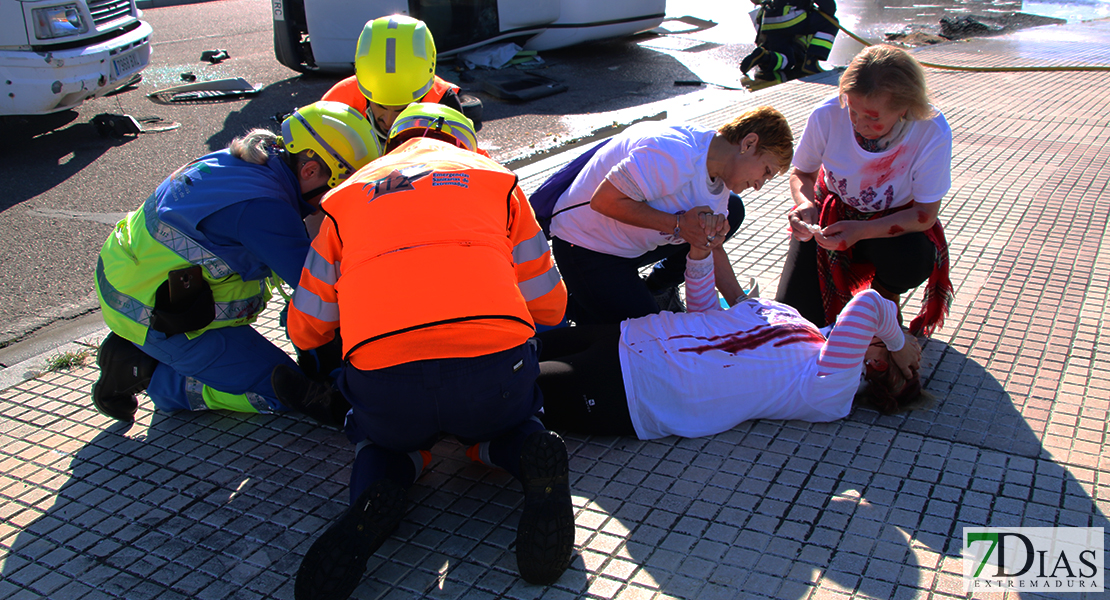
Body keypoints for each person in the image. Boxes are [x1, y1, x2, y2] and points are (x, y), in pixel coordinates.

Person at [277, 103, 573, 600]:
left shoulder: (344, 199)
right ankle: (524, 453)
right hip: (491, 375)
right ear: (465, 146)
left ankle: (379, 487)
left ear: (392, 145)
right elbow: (551, 306)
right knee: (509, 421)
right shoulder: (495, 181)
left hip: (388, 383)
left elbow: (307, 329)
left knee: (384, 441)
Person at [91, 101, 380, 425]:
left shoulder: (257, 161)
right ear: (310, 170)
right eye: (335, 188)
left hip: (143, 285)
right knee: (282, 389)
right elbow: (321, 290)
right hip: (149, 309)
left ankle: (145, 348)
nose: (330, 201)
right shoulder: (263, 208)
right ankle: (150, 373)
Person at [536, 228, 926, 440]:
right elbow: (708, 317)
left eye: (880, 342)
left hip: (638, 390)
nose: (882, 333)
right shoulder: (799, 323)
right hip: (627, 338)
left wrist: (899, 343)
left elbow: (869, 305)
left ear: (874, 363)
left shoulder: (833, 390)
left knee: (506, 381)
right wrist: (701, 254)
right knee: (510, 348)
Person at [541, 106, 793, 324]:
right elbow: (604, 201)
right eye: (766, 171)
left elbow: (710, 248)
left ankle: (655, 289)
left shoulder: (719, 180)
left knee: (731, 212)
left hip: (630, 247)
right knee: (649, 337)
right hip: (586, 245)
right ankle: (570, 305)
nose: (760, 184)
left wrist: (743, 306)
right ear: (748, 144)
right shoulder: (674, 154)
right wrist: (679, 224)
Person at [775, 44, 954, 336]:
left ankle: (882, 301)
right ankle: (847, 308)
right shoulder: (828, 114)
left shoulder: (930, 130)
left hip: (893, 221)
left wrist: (859, 231)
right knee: (797, 318)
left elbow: (924, 214)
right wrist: (806, 206)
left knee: (913, 258)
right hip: (832, 214)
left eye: (873, 117)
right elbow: (802, 173)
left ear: (905, 107)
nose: (859, 124)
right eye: (853, 111)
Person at [321, 15, 468, 147]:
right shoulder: (336, 104)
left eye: (400, 109)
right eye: (380, 106)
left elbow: (465, 166)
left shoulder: (443, 102)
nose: (389, 121)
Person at [740, 0, 839, 81]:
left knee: (787, 60)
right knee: (831, 22)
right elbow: (829, 7)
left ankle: (764, 56)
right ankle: (810, 63)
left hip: (769, 22)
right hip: (790, 19)